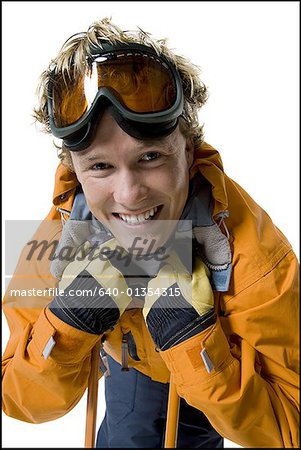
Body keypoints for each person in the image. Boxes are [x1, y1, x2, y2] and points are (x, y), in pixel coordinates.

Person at [2, 17, 299, 449]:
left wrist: (190, 339)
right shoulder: (63, 235)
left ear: (189, 150)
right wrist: (71, 321)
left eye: (151, 157)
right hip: (134, 363)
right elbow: (15, 396)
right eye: (100, 166)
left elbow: (292, 424)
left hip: (218, 362)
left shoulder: (253, 258)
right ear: (75, 171)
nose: (130, 194)